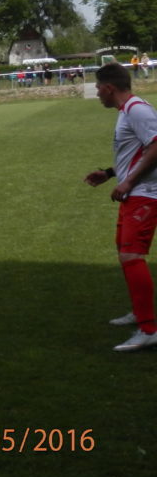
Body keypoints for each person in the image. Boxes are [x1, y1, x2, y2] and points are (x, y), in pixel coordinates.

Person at [83, 63, 157, 352]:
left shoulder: (137, 110)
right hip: (134, 191)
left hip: (145, 193)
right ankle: (140, 314)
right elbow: (136, 151)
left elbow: (156, 146)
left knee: (131, 254)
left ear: (109, 88)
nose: (97, 93)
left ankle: (149, 328)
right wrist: (111, 174)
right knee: (125, 252)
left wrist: (128, 183)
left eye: (98, 87)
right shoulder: (128, 111)